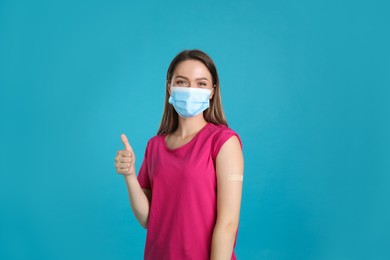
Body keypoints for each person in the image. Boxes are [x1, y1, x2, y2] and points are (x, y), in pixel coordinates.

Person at [114, 49, 244, 260]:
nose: (191, 90)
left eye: (201, 83)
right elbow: (148, 218)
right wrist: (129, 175)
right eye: (182, 82)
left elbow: (228, 223)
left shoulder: (223, 142)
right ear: (170, 87)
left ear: (212, 90)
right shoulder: (154, 146)